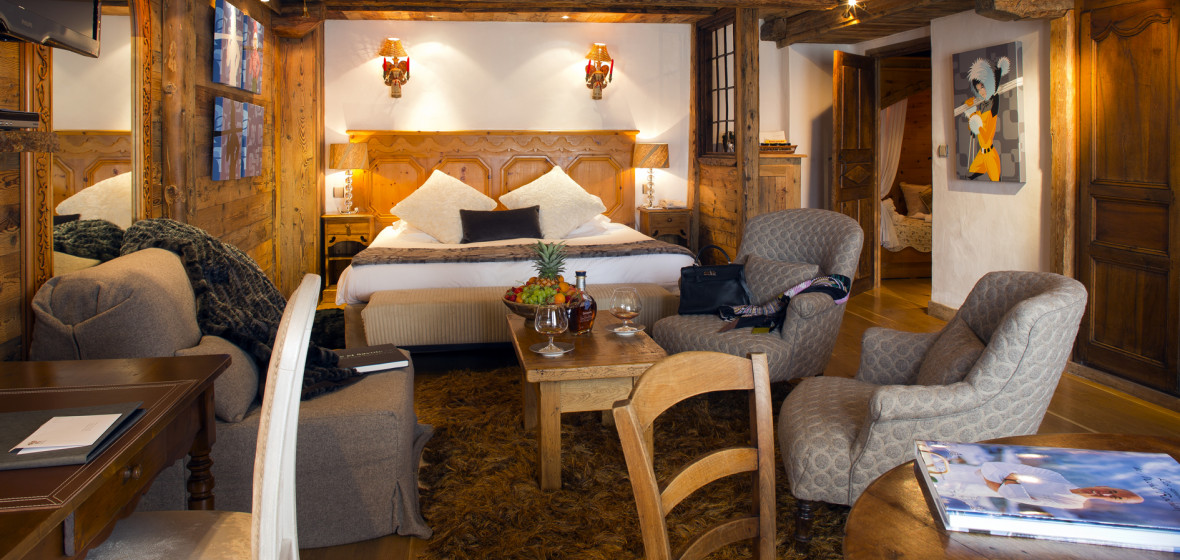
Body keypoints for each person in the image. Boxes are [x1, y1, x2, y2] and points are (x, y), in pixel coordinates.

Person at [937, 460, 1143, 509]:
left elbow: (1015, 496)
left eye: (1114, 498)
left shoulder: (1071, 503)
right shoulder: (1056, 476)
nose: (1105, 494)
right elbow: (1000, 467)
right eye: (1111, 491)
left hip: (968, 488)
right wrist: (1009, 481)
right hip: (967, 472)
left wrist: (1009, 480)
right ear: (1105, 485)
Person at [960, 56, 1010, 181]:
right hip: (981, 155)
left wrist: (973, 118)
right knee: (968, 176)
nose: (981, 92)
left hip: (990, 155)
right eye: (978, 89)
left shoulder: (993, 104)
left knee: (996, 183)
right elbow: (973, 127)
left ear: (988, 84)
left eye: (982, 87)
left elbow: (984, 134)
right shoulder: (982, 105)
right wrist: (970, 109)